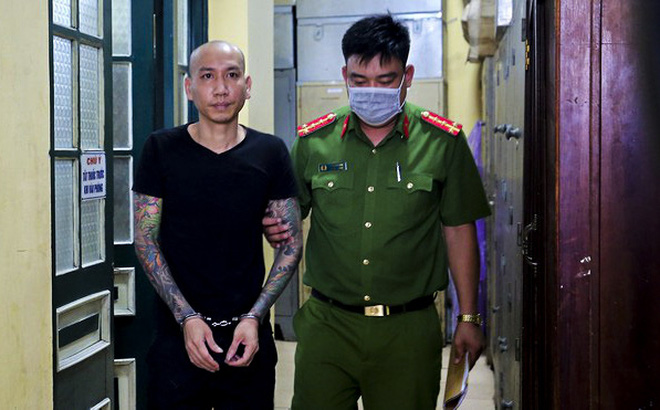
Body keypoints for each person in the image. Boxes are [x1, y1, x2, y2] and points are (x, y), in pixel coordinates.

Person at [264, 15, 491, 409]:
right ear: (345, 76)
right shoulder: (314, 142)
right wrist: (274, 227)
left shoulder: (442, 142)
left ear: (407, 77)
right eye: (360, 80)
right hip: (328, 326)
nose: (372, 91)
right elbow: (287, 218)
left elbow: (459, 230)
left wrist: (468, 318)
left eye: (386, 81)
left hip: (407, 330)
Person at [133, 40, 303, 409]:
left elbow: (291, 244)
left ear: (247, 85)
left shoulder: (270, 152)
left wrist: (255, 317)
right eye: (207, 76)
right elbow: (145, 239)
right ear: (189, 87)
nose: (221, 88)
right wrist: (187, 318)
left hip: (247, 335)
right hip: (177, 338)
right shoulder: (161, 149)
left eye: (232, 75)